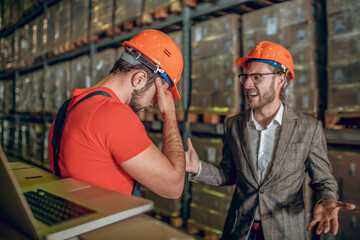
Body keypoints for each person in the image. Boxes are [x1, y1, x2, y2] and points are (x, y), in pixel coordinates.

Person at [185, 41, 355, 239]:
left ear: (280, 80)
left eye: (257, 77)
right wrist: (197, 168)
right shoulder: (234, 125)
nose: (248, 85)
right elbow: (228, 174)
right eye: (246, 76)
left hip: (286, 232)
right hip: (240, 231)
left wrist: (326, 198)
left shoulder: (308, 128)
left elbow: (323, 180)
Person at [48, 29, 185, 199]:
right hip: (108, 223)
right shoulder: (115, 116)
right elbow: (174, 186)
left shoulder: (70, 105)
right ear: (139, 79)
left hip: (78, 217)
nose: (154, 104)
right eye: (157, 93)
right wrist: (170, 115)